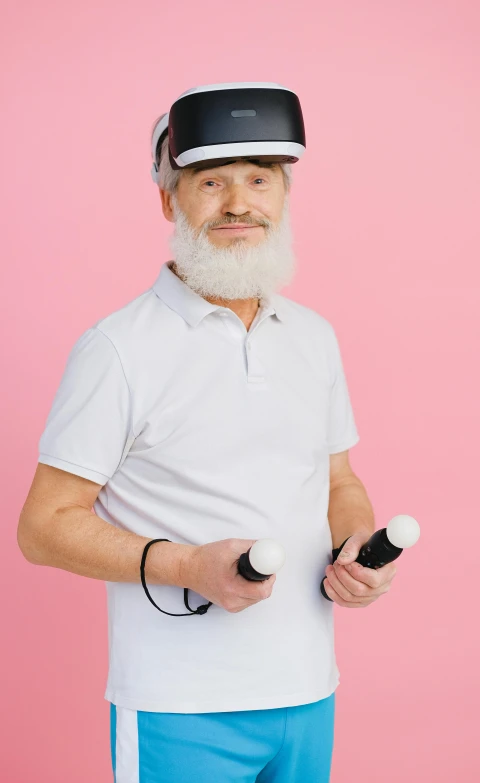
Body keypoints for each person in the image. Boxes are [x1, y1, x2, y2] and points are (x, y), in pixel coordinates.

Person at [17, 101, 397, 782]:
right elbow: (42, 527)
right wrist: (189, 565)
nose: (239, 204)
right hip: (179, 706)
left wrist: (358, 547)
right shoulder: (117, 348)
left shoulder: (314, 336)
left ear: (284, 194)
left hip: (309, 691)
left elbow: (339, 480)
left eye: (260, 179)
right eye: (211, 181)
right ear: (170, 199)